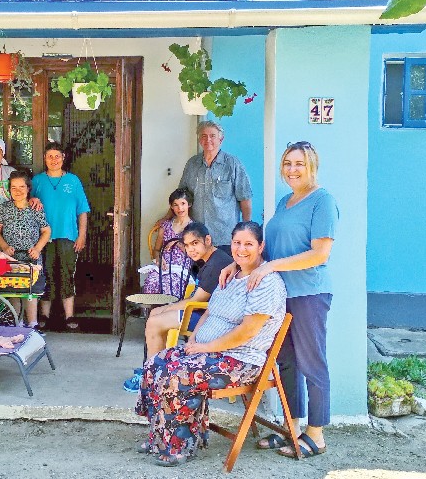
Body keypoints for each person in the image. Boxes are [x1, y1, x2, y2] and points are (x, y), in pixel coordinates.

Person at [221, 141, 337, 459]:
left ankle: (316, 435)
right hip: (280, 296)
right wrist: (237, 264)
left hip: (309, 294)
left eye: (299, 163)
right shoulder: (286, 201)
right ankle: (291, 427)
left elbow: (319, 253)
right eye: (287, 163)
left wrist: (270, 266)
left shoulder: (323, 201)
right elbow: (270, 248)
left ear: (312, 166)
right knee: (284, 362)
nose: (292, 169)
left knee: (312, 363)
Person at [135, 221, 286, 467]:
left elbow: (247, 332)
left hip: (240, 360)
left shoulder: (267, 283)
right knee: (155, 364)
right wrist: (195, 338)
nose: (241, 249)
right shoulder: (231, 274)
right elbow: (209, 311)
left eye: (248, 244)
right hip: (209, 352)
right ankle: (159, 436)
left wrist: (205, 348)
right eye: (237, 243)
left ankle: (179, 446)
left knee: (178, 373)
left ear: (261, 247)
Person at [123, 221, 234, 393]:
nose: (191, 250)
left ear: (208, 240)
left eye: (195, 243)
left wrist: (168, 308)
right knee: (155, 313)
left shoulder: (214, 265)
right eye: (187, 245)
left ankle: (151, 379)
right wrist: (166, 309)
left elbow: (195, 301)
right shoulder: (213, 257)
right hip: (205, 311)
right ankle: (155, 370)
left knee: (154, 321)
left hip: (211, 319)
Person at [30, 142, 90, 331]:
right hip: (42, 237)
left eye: (57, 156)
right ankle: (44, 315)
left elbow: (82, 210)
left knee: (66, 274)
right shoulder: (37, 181)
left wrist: (82, 235)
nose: (54, 160)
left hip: (68, 235)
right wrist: (32, 199)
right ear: (45, 159)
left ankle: (69, 315)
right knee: (44, 274)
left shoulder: (73, 180)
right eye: (50, 156)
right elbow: (26, 203)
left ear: (63, 158)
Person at [174, 120, 252, 253]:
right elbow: (181, 197)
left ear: (221, 139)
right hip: (196, 236)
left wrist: (245, 230)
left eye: (212, 136)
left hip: (225, 236)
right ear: (199, 140)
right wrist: (167, 218)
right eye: (204, 136)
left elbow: (245, 198)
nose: (208, 140)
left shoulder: (233, 164)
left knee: (225, 267)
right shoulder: (192, 164)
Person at [0, 169, 51, 330]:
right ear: (9, 190)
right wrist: (4, 247)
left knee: (31, 291)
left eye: (22, 187)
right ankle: (17, 324)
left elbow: (46, 231)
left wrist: (37, 249)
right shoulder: (4, 208)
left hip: (31, 257)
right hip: (11, 257)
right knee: (14, 290)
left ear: (28, 188)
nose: (18, 191)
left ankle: (32, 324)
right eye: (14, 188)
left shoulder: (35, 207)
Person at [142, 188, 194, 297]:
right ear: (171, 207)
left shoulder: (194, 228)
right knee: (151, 282)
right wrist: (159, 259)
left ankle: (170, 308)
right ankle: (152, 308)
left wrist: (177, 242)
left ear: (189, 204)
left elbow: (193, 254)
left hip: (181, 268)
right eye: (176, 205)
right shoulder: (166, 226)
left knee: (168, 286)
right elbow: (156, 250)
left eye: (183, 204)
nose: (180, 208)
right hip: (163, 266)